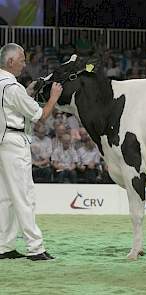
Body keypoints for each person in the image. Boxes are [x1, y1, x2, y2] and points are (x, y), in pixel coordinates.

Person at [0, 43, 63, 261]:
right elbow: (41, 116)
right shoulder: (12, 87)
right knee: (24, 195)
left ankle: (4, 247)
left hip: (1, 141)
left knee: (5, 198)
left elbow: (11, 106)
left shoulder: (5, 86)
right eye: (22, 60)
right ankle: (35, 248)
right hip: (14, 141)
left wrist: (26, 94)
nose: (24, 64)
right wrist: (54, 96)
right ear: (10, 62)